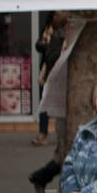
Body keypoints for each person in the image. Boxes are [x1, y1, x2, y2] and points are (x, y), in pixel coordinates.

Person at [33, 12, 70, 146]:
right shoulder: (52, 32)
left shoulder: (61, 35)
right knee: (47, 103)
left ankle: (52, 134)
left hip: (54, 72)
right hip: (50, 72)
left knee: (55, 104)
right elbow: (40, 47)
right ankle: (44, 133)